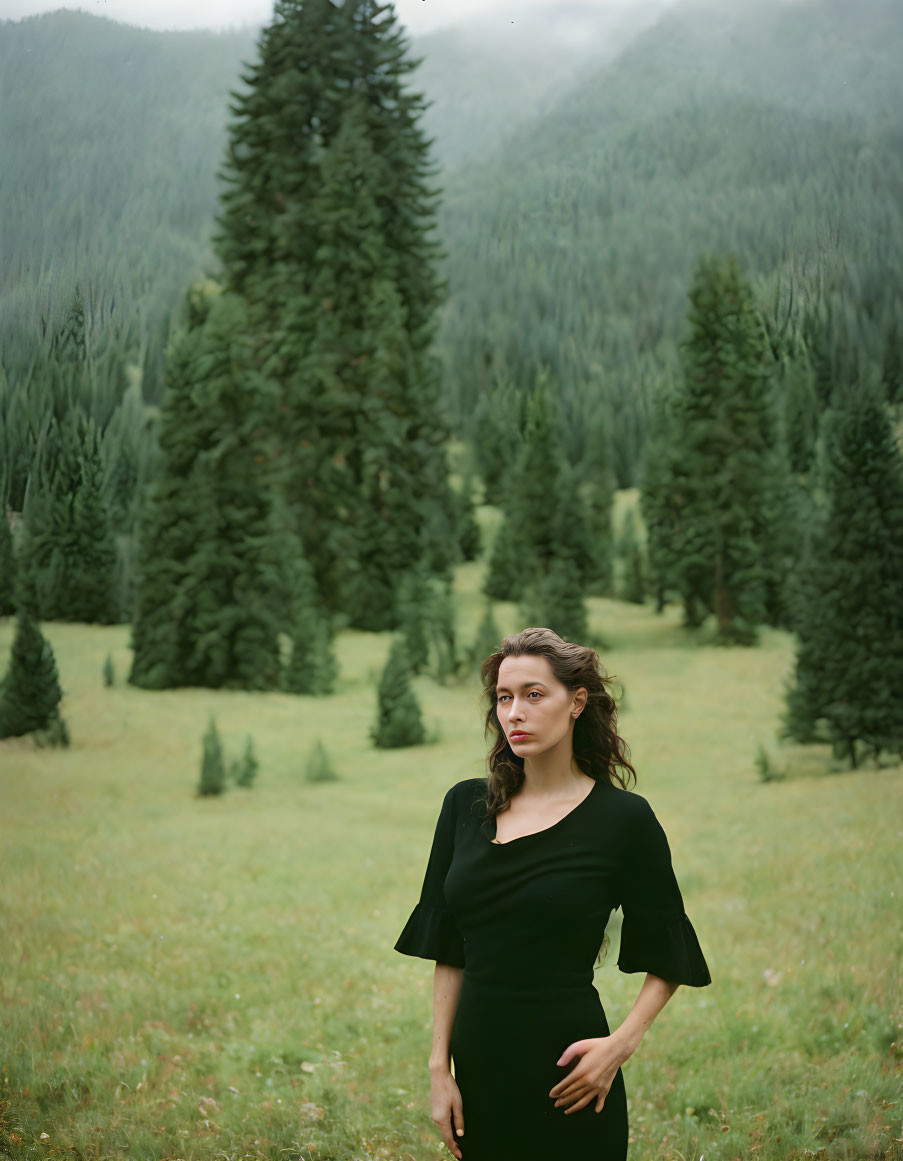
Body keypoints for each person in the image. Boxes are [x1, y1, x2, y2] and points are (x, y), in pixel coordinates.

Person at [394, 627, 711, 1161]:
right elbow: (449, 945)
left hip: (572, 1075)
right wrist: (438, 1068)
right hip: (478, 1069)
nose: (514, 712)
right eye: (503, 697)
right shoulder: (465, 807)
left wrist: (619, 1047)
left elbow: (670, 948)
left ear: (576, 703)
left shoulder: (623, 820)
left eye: (533, 695)